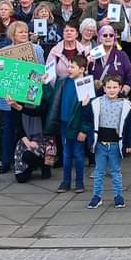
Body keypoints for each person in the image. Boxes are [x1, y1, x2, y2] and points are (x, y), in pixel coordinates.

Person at [0, 21, 44, 173]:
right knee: (9, 129)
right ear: (13, 35)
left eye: (25, 32)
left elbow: (41, 70)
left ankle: (31, 160)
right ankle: (6, 161)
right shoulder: (4, 51)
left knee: (28, 129)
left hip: (28, 98)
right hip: (9, 97)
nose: (24, 34)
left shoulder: (36, 49)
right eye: (20, 32)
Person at [44, 54, 92, 194]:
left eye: (72, 67)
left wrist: (84, 129)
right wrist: (45, 83)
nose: (69, 69)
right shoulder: (62, 82)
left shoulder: (85, 84)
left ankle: (79, 182)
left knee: (78, 154)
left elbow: (88, 112)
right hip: (64, 123)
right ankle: (65, 181)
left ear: (82, 69)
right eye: (69, 66)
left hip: (77, 125)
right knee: (66, 153)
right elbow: (51, 98)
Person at [88, 74, 131, 208]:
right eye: (109, 87)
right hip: (101, 144)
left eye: (115, 87)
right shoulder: (97, 102)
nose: (112, 90)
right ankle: (97, 196)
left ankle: (118, 196)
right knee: (99, 171)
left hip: (115, 144)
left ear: (120, 88)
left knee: (115, 172)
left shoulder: (125, 105)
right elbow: (89, 120)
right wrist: (85, 105)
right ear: (104, 88)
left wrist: (130, 144)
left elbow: (130, 126)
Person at [90, 24, 131, 96]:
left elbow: (130, 76)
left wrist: (124, 92)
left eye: (111, 35)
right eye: (105, 35)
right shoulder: (93, 54)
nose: (108, 37)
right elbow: (86, 75)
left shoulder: (122, 55)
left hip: (116, 97)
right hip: (97, 97)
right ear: (100, 38)